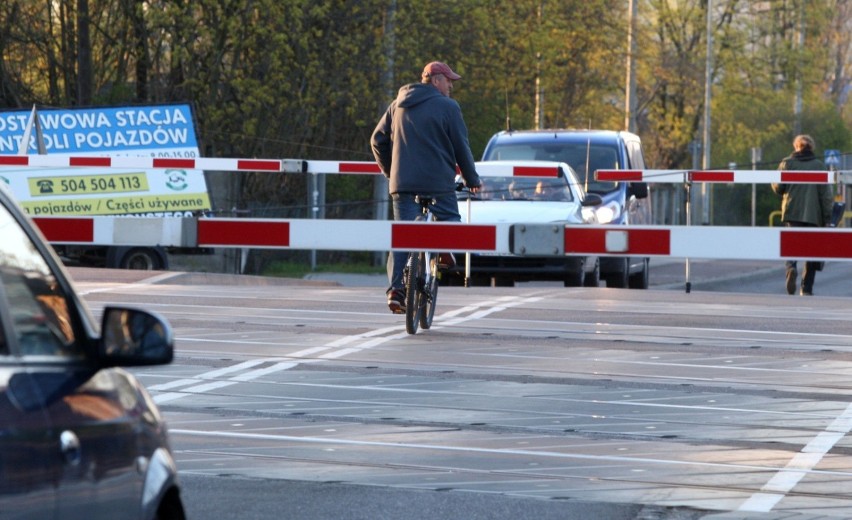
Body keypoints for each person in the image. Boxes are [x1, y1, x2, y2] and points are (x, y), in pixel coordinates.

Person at [371, 61, 481, 313]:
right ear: (435, 80)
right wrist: (472, 180)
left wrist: (391, 172)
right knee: (451, 218)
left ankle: (396, 291)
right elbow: (461, 147)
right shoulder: (448, 107)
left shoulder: (397, 104)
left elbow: (377, 140)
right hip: (438, 184)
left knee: (403, 235)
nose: (451, 85)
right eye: (449, 80)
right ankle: (443, 247)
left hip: (403, 185)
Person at [771, 134, 834, 296]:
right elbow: (826, 196)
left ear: (796, 147)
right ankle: (806, 288)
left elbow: (778, 187)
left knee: (791, 245)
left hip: (792, 212)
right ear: (811, 147)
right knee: (811, 251)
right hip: (814, 215)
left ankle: (791, 268)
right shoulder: (819, 165)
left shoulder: (787, 163)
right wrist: (828, 218)